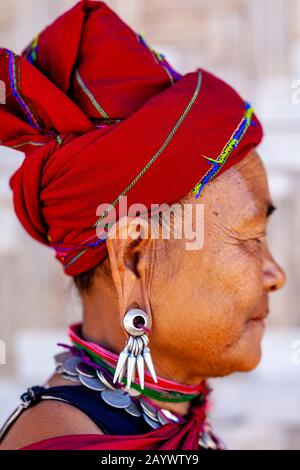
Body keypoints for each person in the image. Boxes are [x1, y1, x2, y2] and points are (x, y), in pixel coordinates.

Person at [0, 0, 285, 450]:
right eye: (250, 235)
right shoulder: (61, 442)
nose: (276, 274)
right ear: (133, 261)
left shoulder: (169, 421)